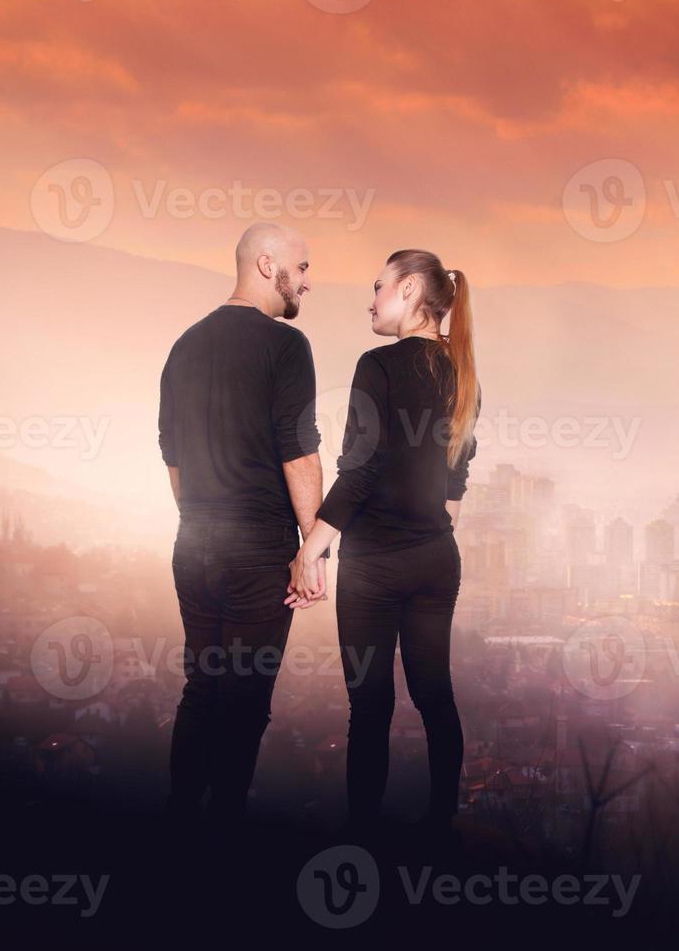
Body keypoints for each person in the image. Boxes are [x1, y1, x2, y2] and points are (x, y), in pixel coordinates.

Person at [287, 248, 478, 846]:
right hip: (435, 562)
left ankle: (362, 838)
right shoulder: (464, 371)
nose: (370, 300)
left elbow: (360, 472)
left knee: (369, 707)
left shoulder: (378, 365)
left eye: (378, 286)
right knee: (434, 695)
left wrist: (308, 552)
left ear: (413, 291)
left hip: (373, 567)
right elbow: (454, 480)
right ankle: (442, 826)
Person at [157, 222, 327, 825]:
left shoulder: (183, 345)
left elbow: (171, 454)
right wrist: (313, 548)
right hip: (256, 552)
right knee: (245, 699)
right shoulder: (285, 347)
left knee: (202, 688)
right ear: (265, 264)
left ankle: (181, 822)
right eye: (301, 268)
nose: (308, 281)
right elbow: (299, 449)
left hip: (192, 546)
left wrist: (199, 521)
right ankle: (224, 830)